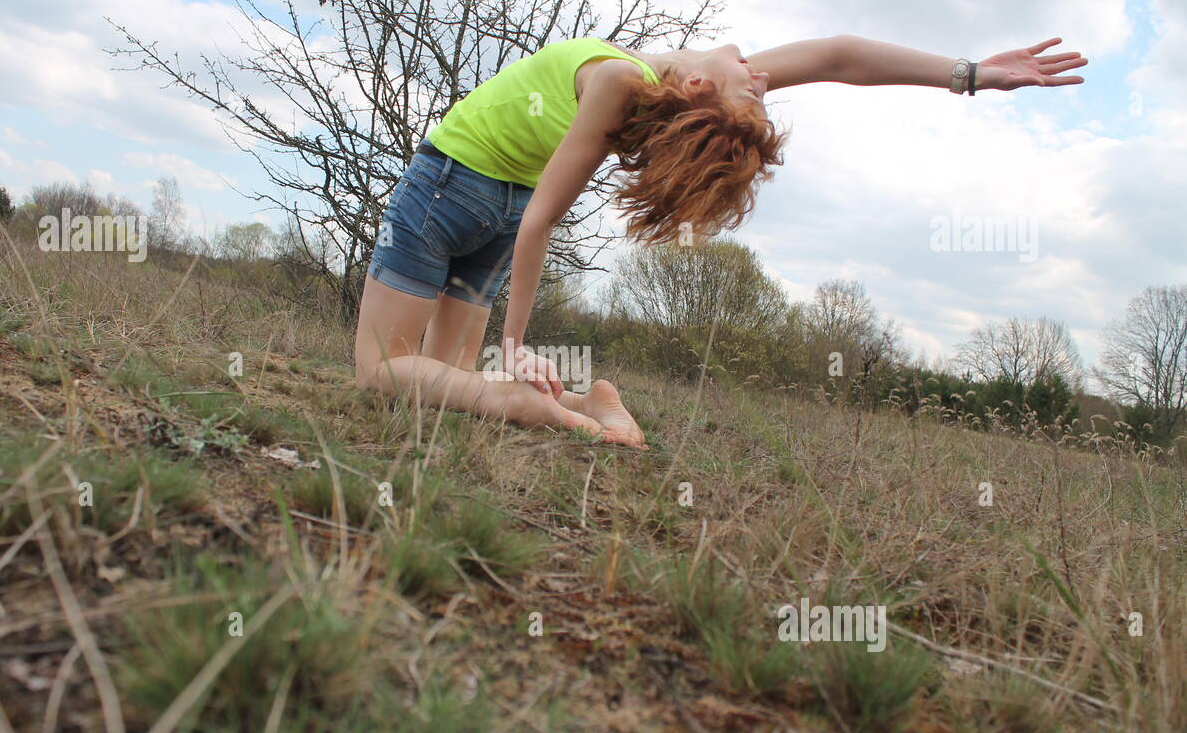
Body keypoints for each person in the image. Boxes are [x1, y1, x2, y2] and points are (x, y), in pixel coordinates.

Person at [353, 34, 1086, 449]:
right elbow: (836, 57)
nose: (762, 74)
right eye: (760, 87)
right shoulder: (661, 90)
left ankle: (524, 403)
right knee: (434, 389)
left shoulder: (617, 80)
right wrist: (971, 74)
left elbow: (544, 218)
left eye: (754, 89)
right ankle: (591, 404)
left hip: (454, 187)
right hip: (498, 207)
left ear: (701, 89)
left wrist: (515, 342)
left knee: (381, 372)